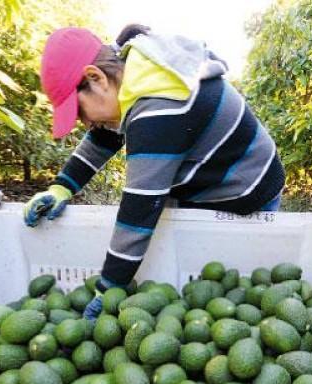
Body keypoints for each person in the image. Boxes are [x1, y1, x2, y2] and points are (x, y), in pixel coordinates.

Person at [24, 24, 285, 320]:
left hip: (245, 190)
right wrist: (62, 187)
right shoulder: (137, 71)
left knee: (232, 292)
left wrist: (107, 289)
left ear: (95, 78)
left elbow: (139, 212)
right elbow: (104, 136)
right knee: (198, 292)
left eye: (80, 112)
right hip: (207, 182)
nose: (84, 123)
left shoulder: (160, 109)